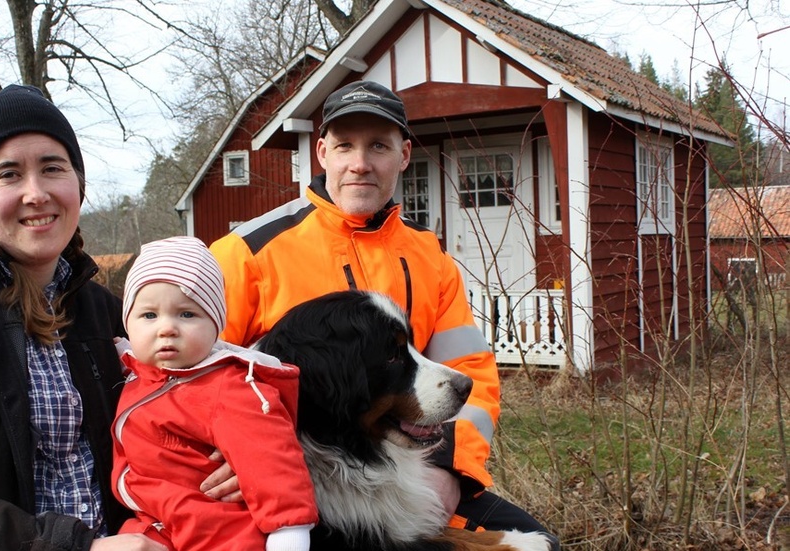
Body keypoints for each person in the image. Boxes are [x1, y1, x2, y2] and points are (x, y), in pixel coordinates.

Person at [0, 85, 227, 551]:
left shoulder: (112, 313)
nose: (36, 193)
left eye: (52, 168)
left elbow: (187, 402)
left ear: (77, 184)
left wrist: (228, 458)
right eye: (9, 174)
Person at [209, 80, 558, 547]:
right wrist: (243, 452)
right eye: (344, 146)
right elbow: (192, 372)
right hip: (292, 493)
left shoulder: (430, 255)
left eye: (378, 146)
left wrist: (451, 469)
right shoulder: (246, 252)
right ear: (321, 153)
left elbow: (467, 371)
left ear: (404, 154)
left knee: (540, 544)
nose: (360, 163)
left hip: (411, 476)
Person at [111, 236, 318, 551]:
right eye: (149, 316)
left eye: (187, 314)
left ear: (216, 324)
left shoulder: (229, 388)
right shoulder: (144, 375)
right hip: (159, 523)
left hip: (220, 533)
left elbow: (274, 462)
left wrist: (289, 534)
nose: (166, 328)